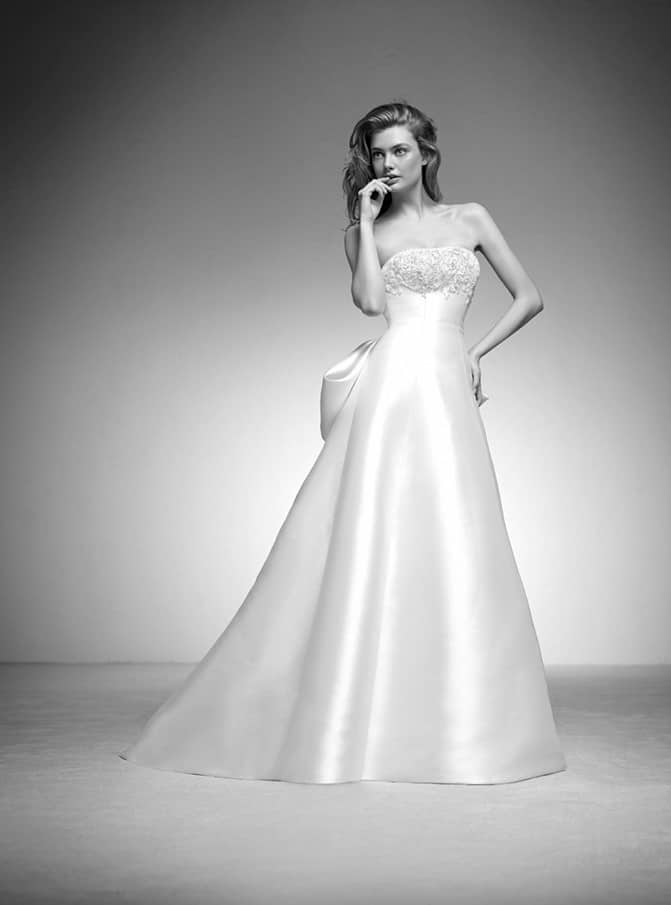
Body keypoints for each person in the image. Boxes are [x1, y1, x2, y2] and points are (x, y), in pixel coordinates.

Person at [119, 100, 566, 785]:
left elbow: (529, 296)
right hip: (391, 381)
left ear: (427, 153)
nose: (388, 163)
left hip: (446, 379)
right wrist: (363, 219)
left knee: (455, 527)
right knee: (371, 526)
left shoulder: (471, 218)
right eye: (378, 153)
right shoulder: (367, 231)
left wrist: (476, 352)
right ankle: (349, 697)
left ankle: (452, 707)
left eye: (399, 150)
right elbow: (368, 304)